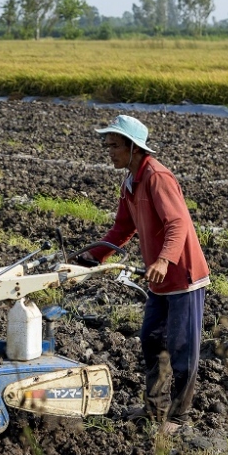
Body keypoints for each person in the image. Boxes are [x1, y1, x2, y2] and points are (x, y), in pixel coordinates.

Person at [78, 114, 210, 434]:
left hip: (184, 278)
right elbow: (123, 228)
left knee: (181, 348)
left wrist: (164, 260)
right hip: (160, 281)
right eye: (106, 145)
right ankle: (154, 409)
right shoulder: (130, 181)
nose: (108, 151)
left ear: (133, 148)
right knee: (151, 340)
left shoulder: (157, 178)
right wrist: (89, 257)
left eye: (113, 145)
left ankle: (178, 417)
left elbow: (178, 224)